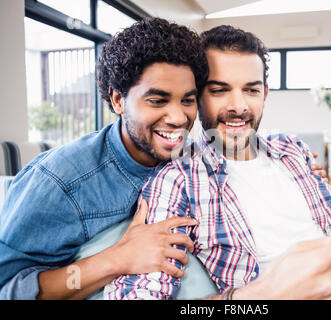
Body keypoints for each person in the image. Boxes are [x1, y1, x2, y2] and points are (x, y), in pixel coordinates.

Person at [105, 25, 331, 300]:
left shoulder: (293, 150)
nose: (239, 106)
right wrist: (264, 294)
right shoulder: (178, 177)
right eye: (219, 91)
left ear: (265, 94)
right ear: (196, 95)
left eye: (251, 90)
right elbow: (142, 291)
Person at [0, 17, 207, 300]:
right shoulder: (59, 181)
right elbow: (8, 291)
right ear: (118, 100)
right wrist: (117, 259)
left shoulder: (196, 164)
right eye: (157, 101)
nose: (178, 118)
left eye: (187, 100)